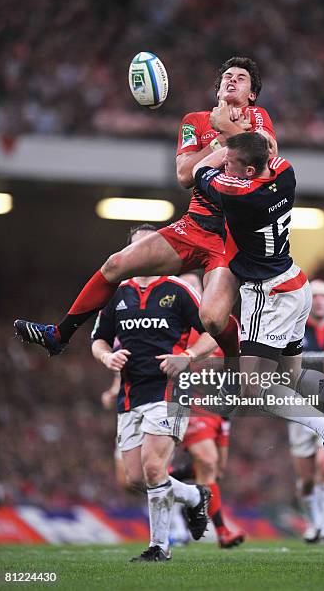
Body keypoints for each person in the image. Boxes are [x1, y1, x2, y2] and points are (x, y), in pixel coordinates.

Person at [14, 57, 276, 365]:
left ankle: (235, 363)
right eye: (227, 76)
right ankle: (59, 336)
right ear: (217, 88)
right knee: (115, 265)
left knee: (214, 322)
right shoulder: (195, 121)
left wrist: (228, 127)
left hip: (230, 237)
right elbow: (183, 175)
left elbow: (267, 156)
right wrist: (223, 136)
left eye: (241, 78)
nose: (232, 80)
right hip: (193, 227)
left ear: (252, 94)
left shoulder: (258, 116)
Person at [188, 131, 324, 479]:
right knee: (292, 376)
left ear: (250, 172)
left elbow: (197, 174)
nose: (227, 165)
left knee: (254, 389)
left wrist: (216, 145)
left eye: (233, 164)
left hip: (268, 295)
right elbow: (269, 151)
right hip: (295, 283)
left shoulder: (239, 194)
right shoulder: (285, 173)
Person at [91, 224, 217, 562]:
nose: (143, 252)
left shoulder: (177, 290)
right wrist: (107, 356)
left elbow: (214, 332)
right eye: (136, 247)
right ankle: (193, 496)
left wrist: (187, 357)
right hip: (130, 396)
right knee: (135, 478)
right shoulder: (117, 294)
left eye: (150, 245)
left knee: (152, 468)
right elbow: (98, 339)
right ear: (128, 254)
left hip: (171, 393)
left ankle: (159, 547)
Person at [175, 272, 245, 548]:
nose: (191, 292)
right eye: (185, 287)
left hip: (221, 411)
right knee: (208, 461)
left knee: (216, 469)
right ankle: (223, 532)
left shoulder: (224, 324)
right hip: (192, 405)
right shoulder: (178, 328)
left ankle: (174, 479)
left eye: (196, 287)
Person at [287, 280, 324, 543]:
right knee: (306, 479)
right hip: (301, 411)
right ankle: (314, 524)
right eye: (316, 296)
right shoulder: (295, 328)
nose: (320, 300)